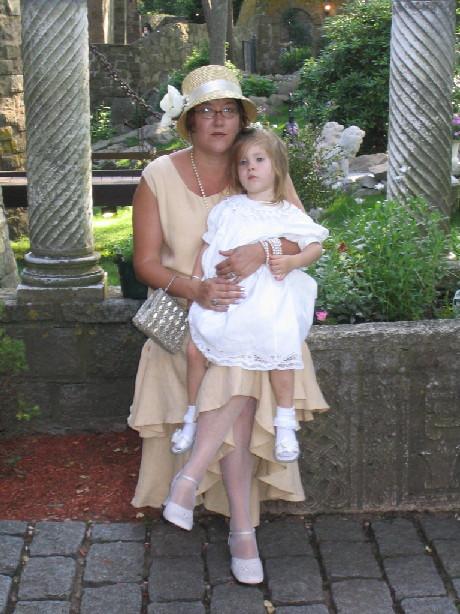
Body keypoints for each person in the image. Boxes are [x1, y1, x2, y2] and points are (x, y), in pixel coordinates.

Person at [128, 65, 329, 585]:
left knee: (241, 365)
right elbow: (145, 264)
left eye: (228, 110)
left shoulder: (260, 165)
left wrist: (262, 249)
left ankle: (205, 495)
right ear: (189, 121)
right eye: (206, 112)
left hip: (258, 317)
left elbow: (303, 235)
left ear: (241, 119)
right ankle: (242, 529)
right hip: (189, 316)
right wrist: (198, 289)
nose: (218, 120)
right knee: (237, 368)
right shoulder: (159, 176)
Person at [171, 128, 328, 468]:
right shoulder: (227, 208)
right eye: (243, 162)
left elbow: (314, 246)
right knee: (195, 350)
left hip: (269, 300)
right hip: (226, 295)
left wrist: (292, 262)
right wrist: (197, 284)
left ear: (278, 167)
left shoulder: (287, 213)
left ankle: (285, 423)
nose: (251, 168)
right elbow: (206, 247)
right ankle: (190, 416)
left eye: (259, 160)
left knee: (281, 351)